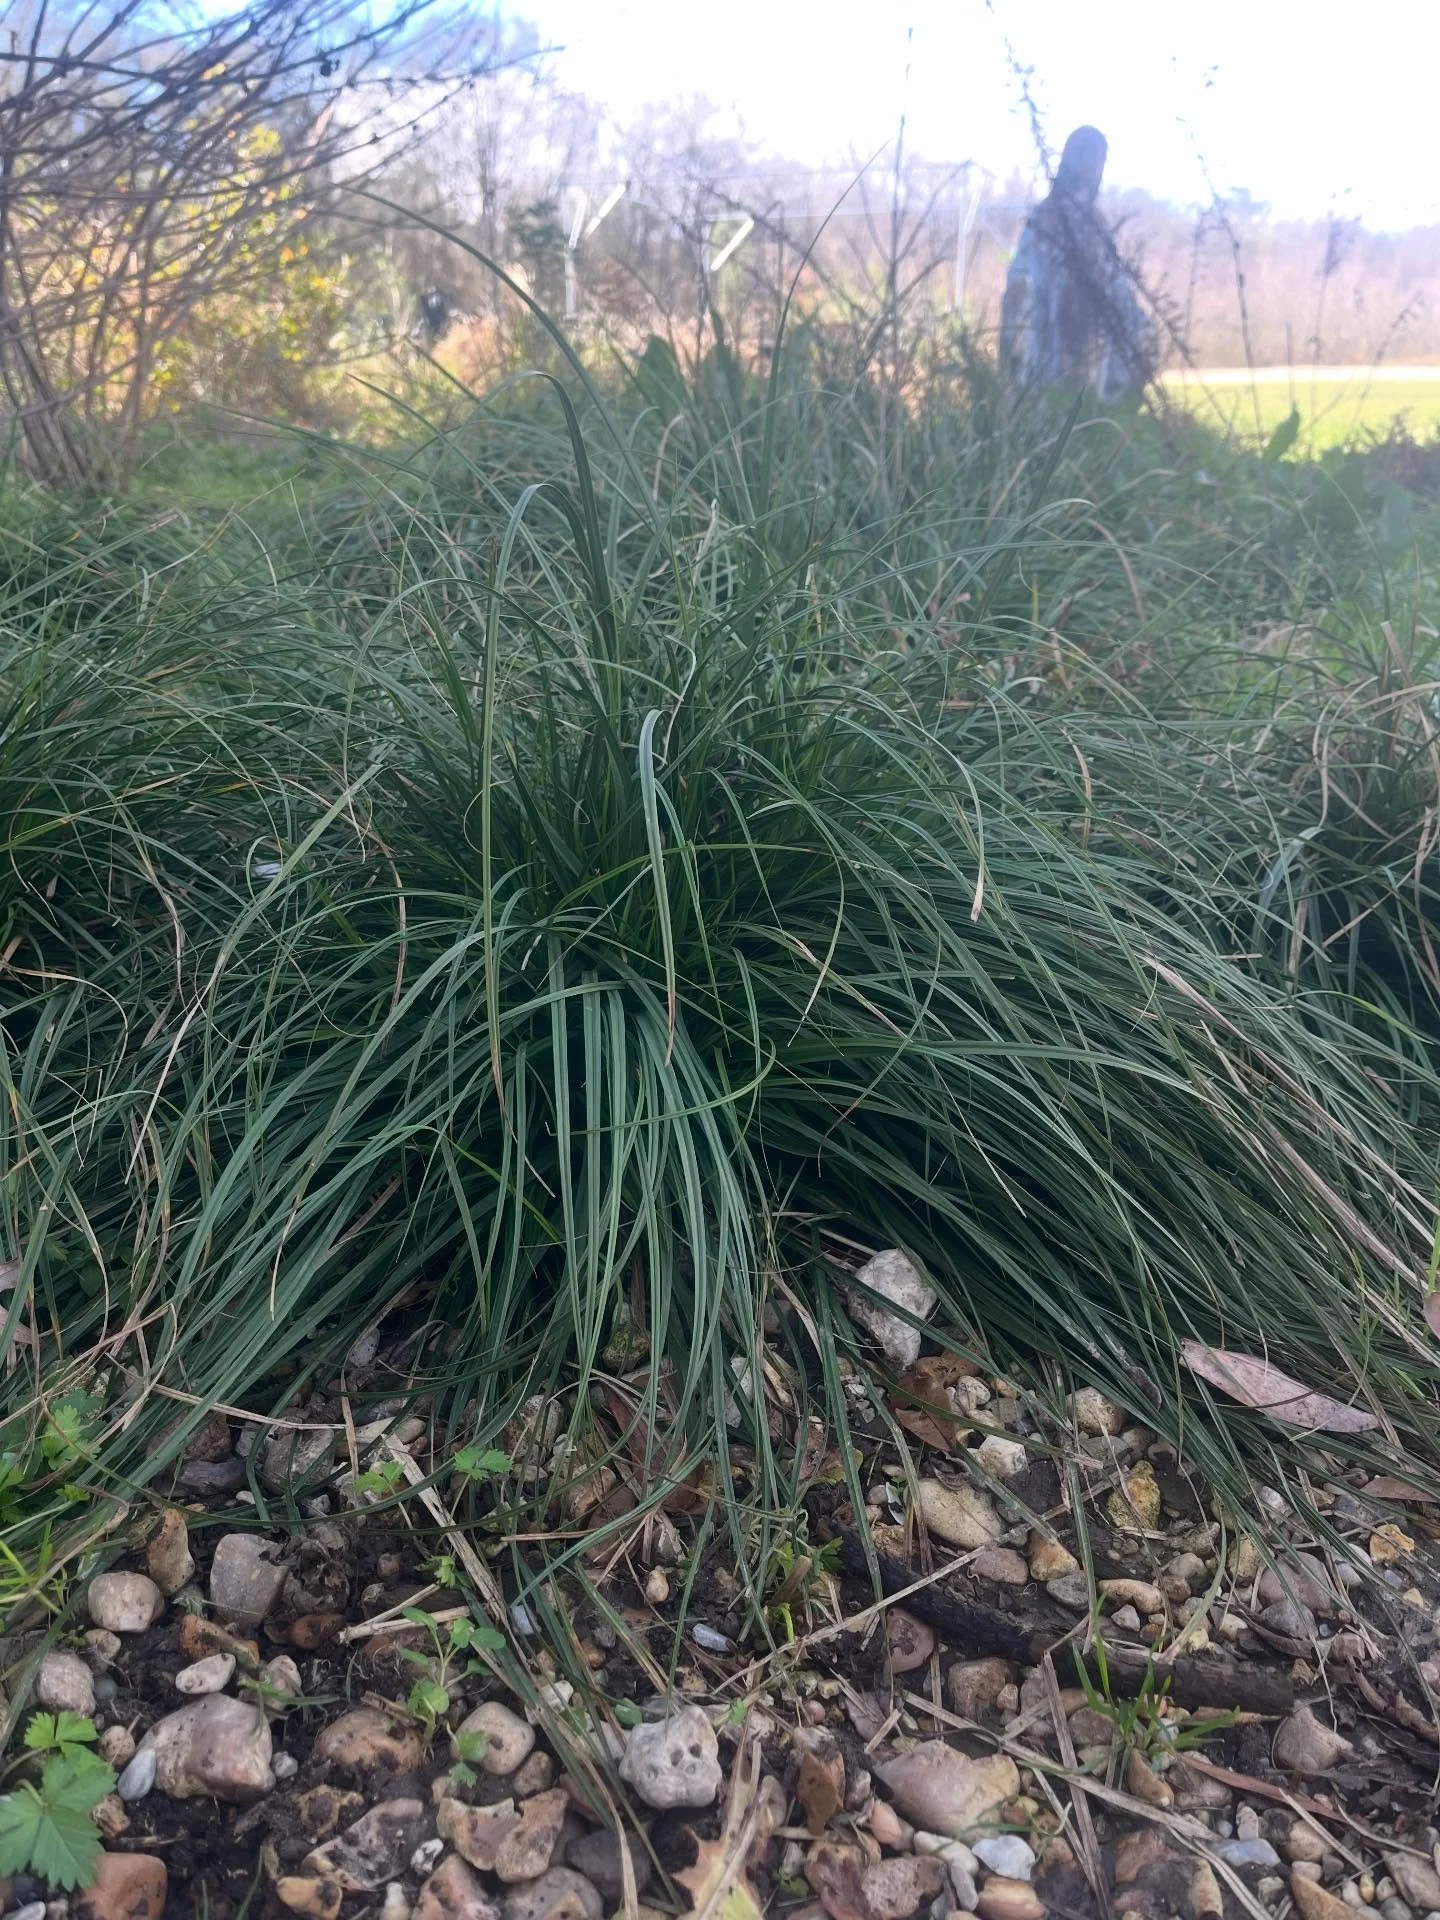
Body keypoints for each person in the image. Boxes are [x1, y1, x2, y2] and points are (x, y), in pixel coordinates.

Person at [1000, 126, 1158, 403]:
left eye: (1101, 162)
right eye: (1092, 160)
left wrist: (1138, 327)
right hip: (1050, 341)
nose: (1096, 170)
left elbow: (1113, 281)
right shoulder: (1045, 218)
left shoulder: (1096, 223)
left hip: (1091, 339)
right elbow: (1023, 285)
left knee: (1139, 341)